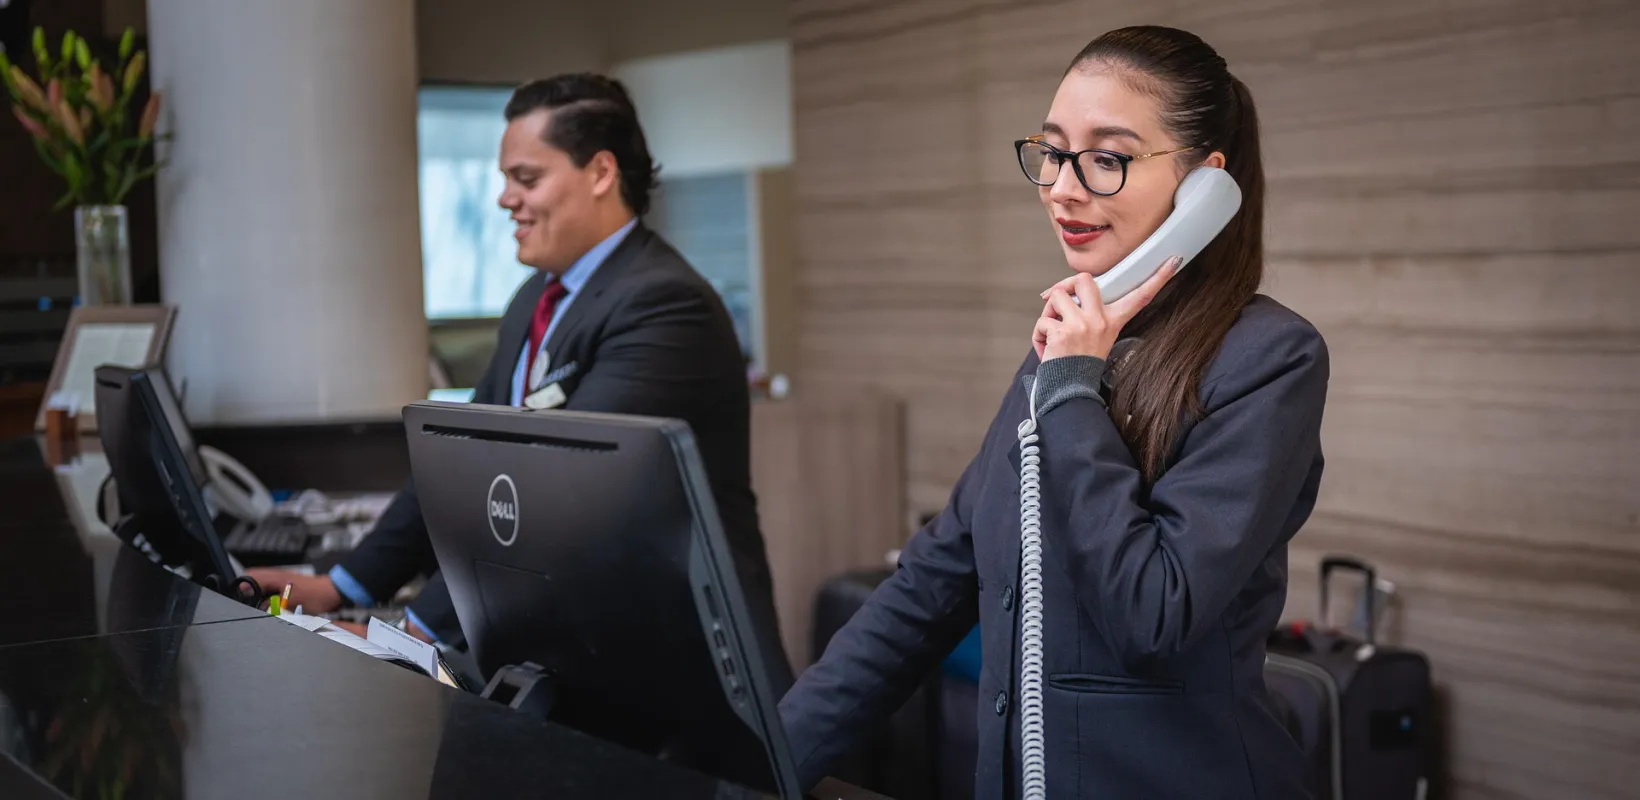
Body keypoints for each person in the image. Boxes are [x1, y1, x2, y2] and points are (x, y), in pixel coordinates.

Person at [778, 26, 1327, 799]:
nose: (1063, 187)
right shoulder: (1067, 347)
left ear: (1207, 186)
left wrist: (1071, 388)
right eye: (1054, 151)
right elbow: (931, 583)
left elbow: (1154, 613)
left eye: (1107, 158)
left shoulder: (1270, 357)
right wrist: (763, 763)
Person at [249, 75, 783, 670]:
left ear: (602, 173)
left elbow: (555, 500)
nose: (506, 199)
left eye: (526, 179)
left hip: (676, 675)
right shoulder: (535, 299)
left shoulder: (664, 306)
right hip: (575, 652)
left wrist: (416, 631)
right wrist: (342, 585)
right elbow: (462, 460)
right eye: (506, 179)